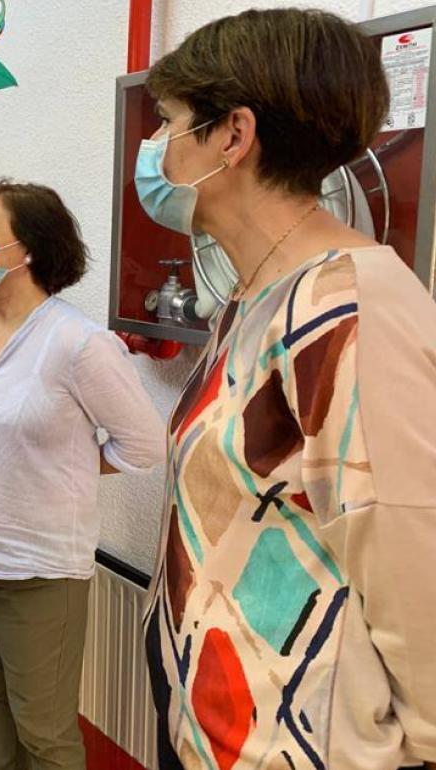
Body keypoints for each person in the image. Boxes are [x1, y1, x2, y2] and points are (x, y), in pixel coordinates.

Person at [138, 9, 436, 770]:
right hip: (213, 727)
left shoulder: (355, 307)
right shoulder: (255, 291)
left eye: (168, 122)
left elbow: (411, 557)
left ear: (232, 136)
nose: (154, 148)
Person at [0, 181, 165, 770]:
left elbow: (145, 445)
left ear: (29, 249)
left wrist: (67, 462)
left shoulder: (76, 343)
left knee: (45, 732)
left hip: (34, 569)